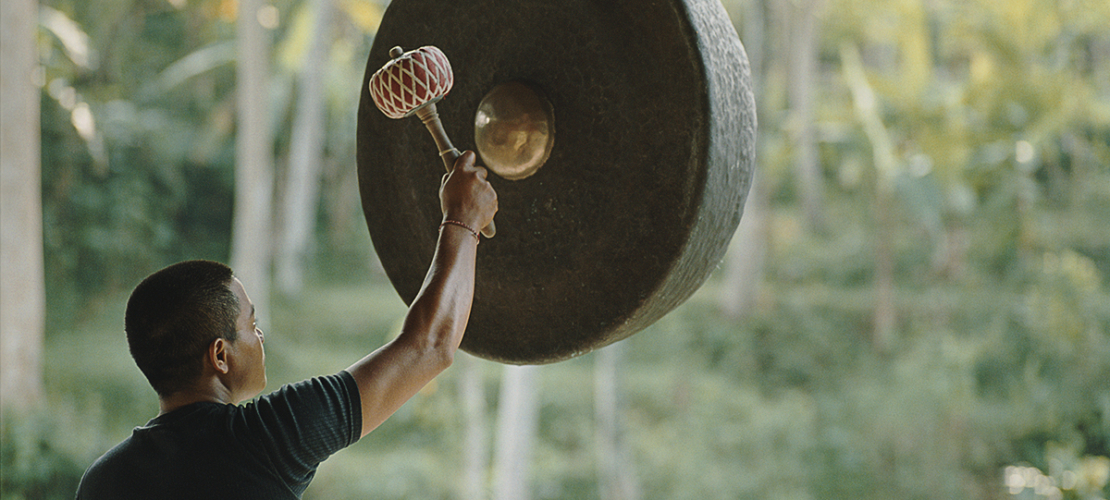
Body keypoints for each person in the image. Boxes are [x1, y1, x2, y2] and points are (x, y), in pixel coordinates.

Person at [75, 151, 498, 499]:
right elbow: (431, 346)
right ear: (219, 355)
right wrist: (463, 218)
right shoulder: (265, 439)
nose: (260, 337)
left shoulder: (101, 481)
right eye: (251, 324)